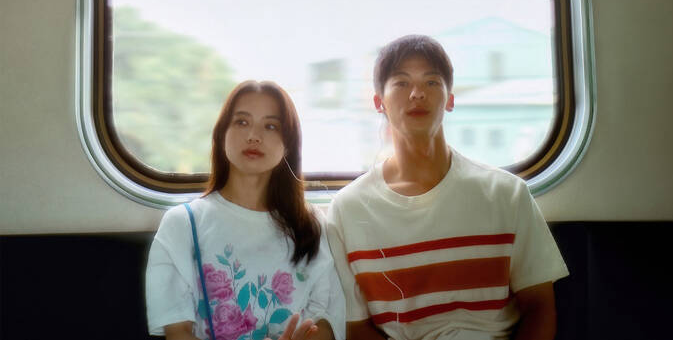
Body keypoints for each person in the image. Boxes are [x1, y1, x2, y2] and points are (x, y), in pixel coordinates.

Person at [326, 35, 568, 340]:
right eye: (401, 83)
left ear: (450, 99)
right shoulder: (348, 210)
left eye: (431, 82)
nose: (417, 93)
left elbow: (539, 307)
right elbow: (356, 328)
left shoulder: (507, 193)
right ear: (379, 102)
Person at [146, 81, 345, 340]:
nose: (254, 136)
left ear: (288, 144)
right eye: (241, 122)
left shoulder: (312, 224)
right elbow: (178, 333)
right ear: (221, 135)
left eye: (270, 126)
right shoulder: (183, 223)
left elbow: (328, 322)